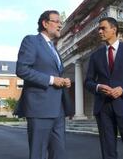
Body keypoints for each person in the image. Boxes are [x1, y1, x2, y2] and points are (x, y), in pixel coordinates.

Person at [15, 10, 74, 159]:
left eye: (61, 22)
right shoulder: (31, 41)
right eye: (57, 21)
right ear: (45, 23)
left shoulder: (53, 48)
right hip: (39, 108)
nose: (60, 25)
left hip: (58, 110)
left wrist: (63, 81)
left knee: (59, 153)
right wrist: (52, 80)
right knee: (38, 154)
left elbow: (53, 72)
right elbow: (22, 69)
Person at [85, 17, 123, 159]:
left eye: (103, 28)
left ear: (114, 29)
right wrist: (98, 86)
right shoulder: (95, 56)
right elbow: (88, 81)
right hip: (103, 108)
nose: (99, 31)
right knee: (108, 151)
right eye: (99, 29)